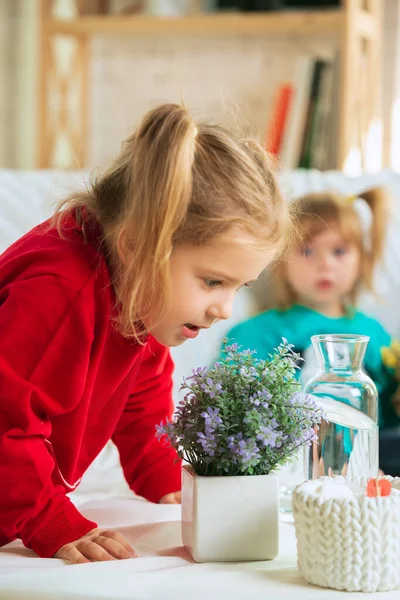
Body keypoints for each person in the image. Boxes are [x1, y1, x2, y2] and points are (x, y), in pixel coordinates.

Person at [0, 104, 290, 564]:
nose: (224, 309)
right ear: (137, 245)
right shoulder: (61, 289)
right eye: (213, 281)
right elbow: (5, 420)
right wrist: (46, 518)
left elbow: (140, 401)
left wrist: (167, 481)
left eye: (240, 286)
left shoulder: (140, 296)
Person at [223, 188, 400, 432]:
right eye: (307, 251)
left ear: (363, 261)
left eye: (339, 251)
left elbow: (392, 411)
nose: (325, 263)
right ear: (280, 262)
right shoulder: (257, 333)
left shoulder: (373, 332)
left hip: (371, 462)